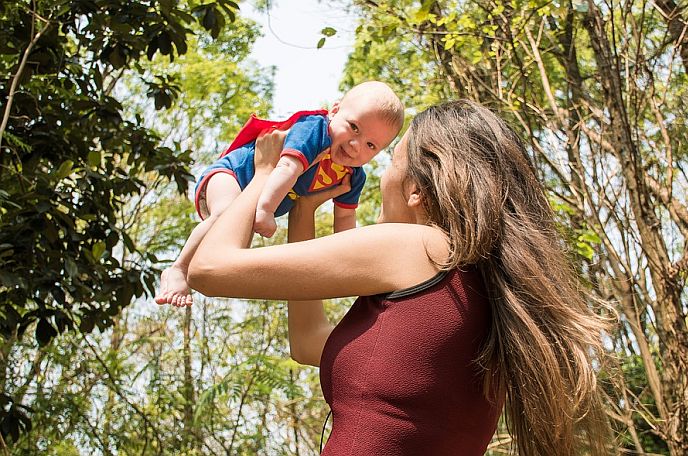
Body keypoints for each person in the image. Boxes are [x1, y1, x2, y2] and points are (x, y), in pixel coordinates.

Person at [186, 100, 612, 455]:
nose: (380, 175)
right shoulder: (482, 289)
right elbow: (309, 342)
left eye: (391, 160)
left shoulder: (419, 247)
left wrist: (263, 174)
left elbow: (210, 269)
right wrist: (304, 208)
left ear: (416, 191)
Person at [155, 81, 404, 306]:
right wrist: (266, 209)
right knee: (224, 214)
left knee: (235, 246)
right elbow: (287, 167)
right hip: (233, 174)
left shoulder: (352, 176)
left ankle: (197, 271)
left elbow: (345, 221)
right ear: (335, 111)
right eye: (353, 128)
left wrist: (353, 263)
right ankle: (178, 268)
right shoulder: (315, 130)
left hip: (256, 198)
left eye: (371, 145)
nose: (355, 145)